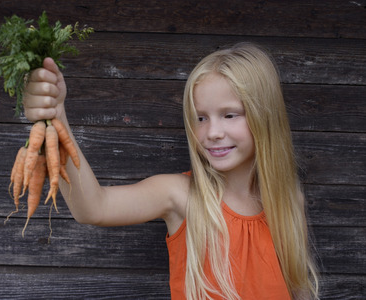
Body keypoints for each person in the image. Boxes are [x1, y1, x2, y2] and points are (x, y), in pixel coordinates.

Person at [23, 42, 319, 299]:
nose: (212, 132)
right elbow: (94, 207)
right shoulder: (180, 196)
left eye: (229, 115)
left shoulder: (289, 201)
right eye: (201, 118)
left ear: (265, 116)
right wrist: (56, 115)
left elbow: (298, 289)